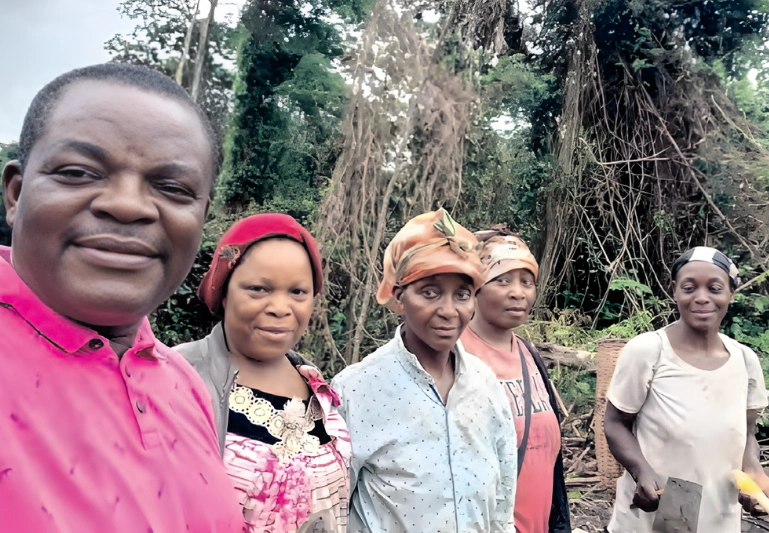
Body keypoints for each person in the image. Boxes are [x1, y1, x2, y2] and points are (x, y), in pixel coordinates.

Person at [0, 63, 242, 532]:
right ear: (16, 193)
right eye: (78, 172)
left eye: (172, 188)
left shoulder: (184, 384)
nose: (128, 205)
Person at [332, 208, 517, 533]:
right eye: (429, 293)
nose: (448, 311)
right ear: (400, 296)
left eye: (462, 295)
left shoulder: (485, 383)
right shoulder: (355, 389)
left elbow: (503, 497)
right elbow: (333, 506)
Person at [175, 213, 351, 533]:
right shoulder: (177, 380)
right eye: (258, 289)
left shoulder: (315, 385)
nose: (280, 308)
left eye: (297, 292)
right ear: (225, 293)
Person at [604, 246, 769, 532]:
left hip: (719, 512)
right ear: (674, 291)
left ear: (730, 294)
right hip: (662, 507)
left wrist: (754, 473)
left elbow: (746, 434)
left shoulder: (745, 360)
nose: (701, 297)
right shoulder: (650, 350)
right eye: (689, 287)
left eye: (714, 288)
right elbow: (615, 424)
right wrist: (642, 472)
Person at [460, 227, 571, 533]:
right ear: (476, 286)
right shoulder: (457, 357)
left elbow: (552, 466)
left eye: (527, 282)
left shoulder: (529, 355)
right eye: (502, 280)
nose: (518, 292)